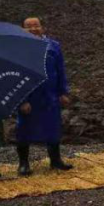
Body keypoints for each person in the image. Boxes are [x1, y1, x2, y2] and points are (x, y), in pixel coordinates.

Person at [15, 17, 72, 175]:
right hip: (29, 96)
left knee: (53, 128)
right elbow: (15, 75)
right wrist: (22, 100)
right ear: (22, 29)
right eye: (29, 26)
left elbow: (60, 70)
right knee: (24, 130)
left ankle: (56, 160)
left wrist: (63, 92)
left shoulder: (54, 46)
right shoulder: (18, 48)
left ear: (42, 27)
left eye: (36, 25)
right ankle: (24, 163)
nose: (33, 29)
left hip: (50, 95)